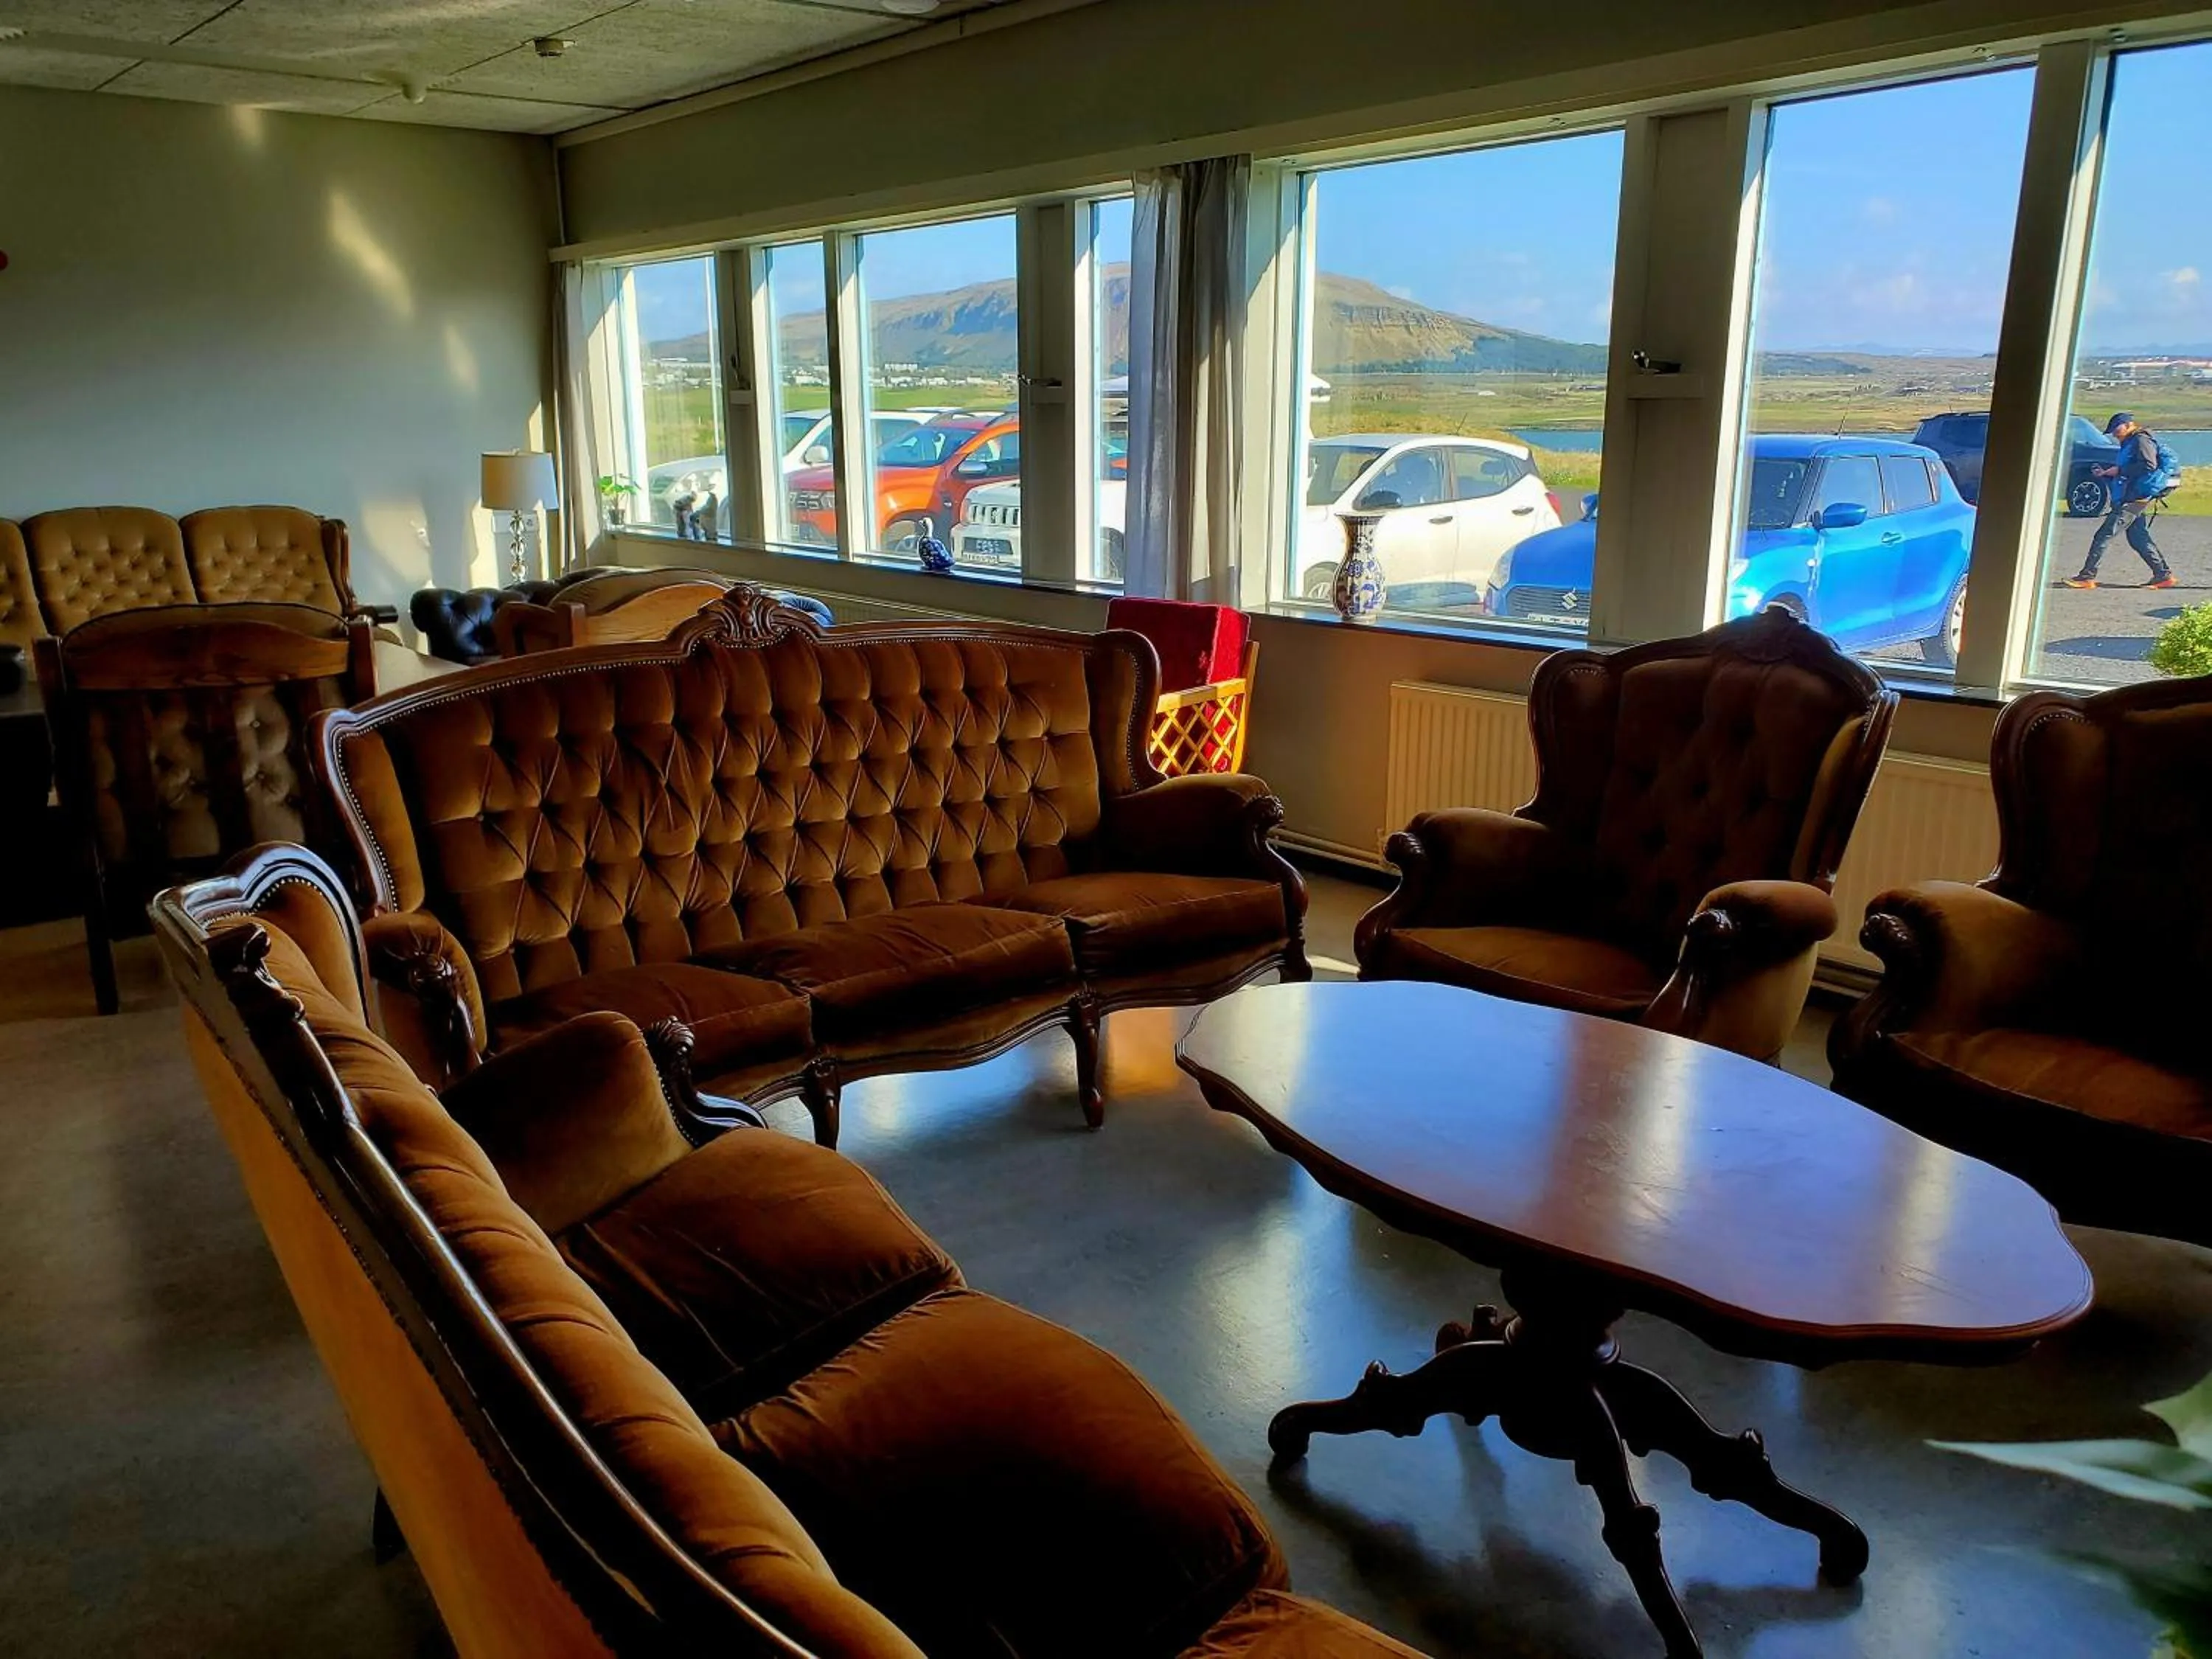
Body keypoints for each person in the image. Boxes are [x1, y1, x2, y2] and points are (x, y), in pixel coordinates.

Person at [2061, 411, 2177, 590]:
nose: (2115, 434)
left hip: (2133, 498)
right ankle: (2163, 575)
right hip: (2135, 496)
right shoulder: (2132, 441)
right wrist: (2108, 473)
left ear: (2129, 424)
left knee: (2104, 535)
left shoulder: (2140, 440)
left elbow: (2148, 465)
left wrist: (2119, 471)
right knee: (2138, 538)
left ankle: (2087, 576)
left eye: (2117, 429)